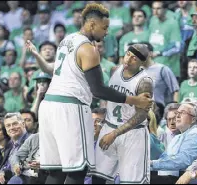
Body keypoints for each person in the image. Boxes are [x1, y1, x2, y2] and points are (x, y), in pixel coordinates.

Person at [37, 3, 152, 184]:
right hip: (69, 107)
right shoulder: (88, 49)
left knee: (56, 172)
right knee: (78, 170)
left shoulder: (66, 40)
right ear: (91, 24)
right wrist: (134, 99)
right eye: (104, 27)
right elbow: (98, 90)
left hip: (48, 106)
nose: (106, 32)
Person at [91, 43, 153, 184]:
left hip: (132, 134)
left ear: (142, 62)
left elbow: (142, 115)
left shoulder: (145, 82)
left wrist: (114, 134)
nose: (127, 60)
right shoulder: (114, 70)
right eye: (127, 55)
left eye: (134, 59)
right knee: (98, 178)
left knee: (131, 182)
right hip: (109, 127)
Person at [151, 102, 197, 184]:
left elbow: (182, 161)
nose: (177, 116)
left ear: (193, 119)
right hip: (172, 177)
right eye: (177, 113)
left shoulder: (195, 135)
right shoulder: (178, 137)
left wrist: (151, 163)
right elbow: (165, 158)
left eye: (183, 112)